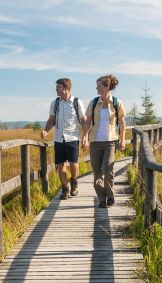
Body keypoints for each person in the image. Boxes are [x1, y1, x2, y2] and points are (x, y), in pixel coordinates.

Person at [82, 75, 126, 208]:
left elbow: (123, 124)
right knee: (96, 170)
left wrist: (122, 140)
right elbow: (88, 121)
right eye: (97, 86)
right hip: (95, 141)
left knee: (107, 169)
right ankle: (101, 199)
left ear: (107, 87)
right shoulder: (94, 102)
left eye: (99, 86)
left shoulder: (117, 103)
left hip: (110, 142)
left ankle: (110, 195)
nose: (97, 88)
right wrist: (84, 137)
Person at [41, 78, 87, 199]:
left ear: (66, 88)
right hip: (58, 138)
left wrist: (85, 137)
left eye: (58, 87)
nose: (56, 89)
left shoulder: (77, 102)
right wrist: (46, 130)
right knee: (61, 165)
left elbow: (84, 120)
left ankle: (74, 182)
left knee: (73, 163)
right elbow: (51, 120)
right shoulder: (55, 103)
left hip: (72, 137)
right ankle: (65, 189)